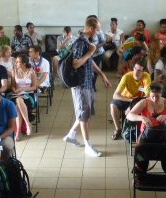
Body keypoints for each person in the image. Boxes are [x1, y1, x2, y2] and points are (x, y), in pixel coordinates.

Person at [62, 17, 111, 157]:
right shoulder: (80, 43)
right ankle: (88, 146)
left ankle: (71, 135)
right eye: (98, 30)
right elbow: (76, 64)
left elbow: (89, 62)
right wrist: (91, 51)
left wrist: (102, 74)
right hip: (80, 85)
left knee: (85, 112)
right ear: (91, 29)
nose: (98, 33)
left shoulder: (87, 42)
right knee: (84, 116)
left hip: (88, 83)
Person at [110, 63, 151, 140]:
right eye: (135, 68)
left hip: (139, 100)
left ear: (143, 71)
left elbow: (147, 95)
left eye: (139, 70)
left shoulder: (146, 76)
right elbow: (115, 95)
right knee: (113, 106)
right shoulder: (126, 77)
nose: (136, 72)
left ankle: (141, 130)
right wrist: (132, 101)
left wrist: (132, 105)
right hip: (126, 99)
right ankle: (118, 129)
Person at [10, 54, 38, 138]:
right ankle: (27, 123)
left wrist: (23, 90)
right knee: (18, 100)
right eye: (16, 61)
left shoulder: (31, 72)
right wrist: (14, 89)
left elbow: (34, 87)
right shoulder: (14, 71)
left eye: (18, 62)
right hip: (16, 94)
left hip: (28, 94)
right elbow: (12, 85)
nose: (16, 63)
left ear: (24, 63)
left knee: (18, 104)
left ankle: (18, 133)